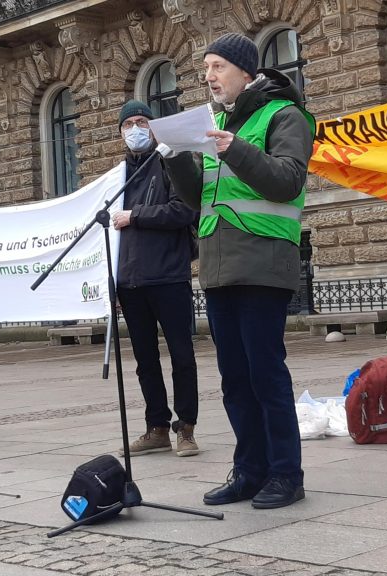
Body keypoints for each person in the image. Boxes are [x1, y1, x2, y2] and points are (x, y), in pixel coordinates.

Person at [161, 33, 315, 508]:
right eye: (205, 68)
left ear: (247, 73)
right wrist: (176, 159)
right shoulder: (215, 124)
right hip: (219, 265)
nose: (209, 76)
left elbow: (286, 182)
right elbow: (199, 198)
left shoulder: (285, 115)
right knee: (234, 378)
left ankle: (286, 474)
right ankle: (249, 470)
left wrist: (232, 150)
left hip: (264, 261)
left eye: (218, 66)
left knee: (265, 374)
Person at [111, 100, 201, 458]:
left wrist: (136, 216)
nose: (135, 129)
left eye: (141, 122)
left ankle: (187, 428)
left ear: (153, 127)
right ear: (120, 132)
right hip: (131, 283)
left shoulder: (171, 163)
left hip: (168, 276)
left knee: (182, 356)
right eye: (128, 124)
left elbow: (184, 210)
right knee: (145, 360)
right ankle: (157, 427)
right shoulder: (117, 176)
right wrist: (114, 281)